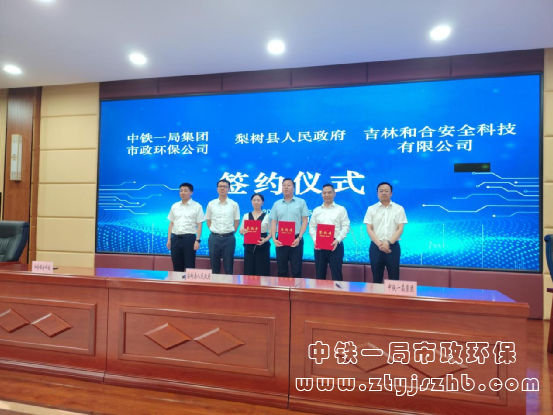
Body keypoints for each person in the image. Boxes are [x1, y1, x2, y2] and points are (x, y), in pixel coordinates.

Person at [364, 182, 408, 283]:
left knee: (394, 278)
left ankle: (394, 294)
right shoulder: (371, 209)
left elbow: (400, 229)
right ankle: (377, 294)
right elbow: (369, 229)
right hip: (376, 247)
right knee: (376, 278)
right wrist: (380, 245)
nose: (384, 193)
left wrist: (388, 243)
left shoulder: (399, 209)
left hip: (393, 247)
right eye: (381, 191)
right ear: (377, 193)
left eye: (386, 191)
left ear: (391, 193)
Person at [309, 183, 350, 281]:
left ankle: (338, 291)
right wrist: (315, 240)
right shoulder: (316, 210)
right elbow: (311, 227)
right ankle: (319, 292)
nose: (327, 195)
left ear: (334, 194)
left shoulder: (341, 209)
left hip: (335, 244)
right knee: (320, 274)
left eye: (329, 192)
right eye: (324, 193)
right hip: (319, 245)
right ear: (321, 194)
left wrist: (338, 240)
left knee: (336, 274)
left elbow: (346, 226)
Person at [269, 178, 309, 277]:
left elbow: (305, 221)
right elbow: (273, 222)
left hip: (296, 239)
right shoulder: (277, 204)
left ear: (293, 188)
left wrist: (299, 237)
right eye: (284, 185)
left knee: (296, 270)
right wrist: (274, 238)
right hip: (281, 239)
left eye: (289, 185)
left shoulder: (301, 202)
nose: (286, 187)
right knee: (281, 270)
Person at [166, 183, 205, 272]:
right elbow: (171, 223)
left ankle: (189, 282)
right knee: (176, 266)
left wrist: (197, 240)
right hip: (175, 239)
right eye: (181, 191)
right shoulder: (175, 206)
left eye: (185, 191)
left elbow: (199, 224)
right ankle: (177, 281)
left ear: (191, 192)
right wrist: (169, 239)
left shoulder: (197, 206)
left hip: (189, 239)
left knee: (189, 266)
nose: (182, 193)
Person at [205, 179, 240, 274]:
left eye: (225, 187)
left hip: (229, 238)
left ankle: (229, 283)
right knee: (214, 266)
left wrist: (231, 232)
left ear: (229, 189)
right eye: (220, 186)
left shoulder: (234, 204)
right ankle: (215, 283)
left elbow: (236, 221)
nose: (222, 188)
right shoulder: (211, 204)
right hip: (214, 237)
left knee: (228, 266)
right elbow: (208, 219)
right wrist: (213, 230)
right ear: (217, 188)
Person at [239, 193, 272, 276]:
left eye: (258, 200)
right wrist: (243, 231)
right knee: (249, 270)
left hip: (262, 246)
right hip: (249, 247)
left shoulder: (267, 217)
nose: (256, 202)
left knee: (262, 270)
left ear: (262, 202)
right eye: (254, 200)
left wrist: (265, 239)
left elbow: (271, 232)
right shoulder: (246, 216)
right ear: (251, 202)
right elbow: (240, 231)